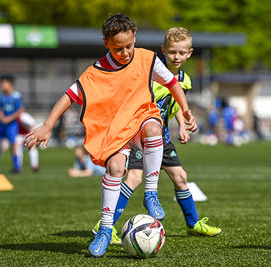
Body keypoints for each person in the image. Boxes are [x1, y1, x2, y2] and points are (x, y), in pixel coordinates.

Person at [24, 14, 197, 257]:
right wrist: (47, 125)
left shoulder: (147, 59)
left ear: (134, 38)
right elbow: (69, 96)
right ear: (106, 43)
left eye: (129, 46)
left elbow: (172, 83)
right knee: (116, 168)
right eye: (118, 48)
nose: (125, 52)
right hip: (116, 128)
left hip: (143, 115)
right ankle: (105, 229)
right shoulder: (94, 73)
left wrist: (186, 111)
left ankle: (151, 193)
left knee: (154, 127)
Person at [92, 27, 221, 243]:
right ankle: (105, 226)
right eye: (172, 52)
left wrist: (181, 125)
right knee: (133, 178)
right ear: (163, 51)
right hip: (140, 136)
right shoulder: (153, 74)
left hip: (162, 137)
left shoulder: (185, 80)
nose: (176, 57)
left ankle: (193, 224)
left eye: (181, 53)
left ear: (189, 53)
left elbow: (177, 104)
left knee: (180, 177)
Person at [0, 75, 25, 173]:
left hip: (12, 124)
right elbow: (0, 109)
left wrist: (9, 118)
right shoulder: (2, 97)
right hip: (2, 123)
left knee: (13, 144)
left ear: (10, 84)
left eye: (4, 83)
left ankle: (16, 166)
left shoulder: (16, 96)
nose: (2, 85)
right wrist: (2, 117)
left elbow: (21, 109)